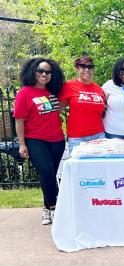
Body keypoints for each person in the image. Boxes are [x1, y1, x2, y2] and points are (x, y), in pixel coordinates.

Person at [14, 57, 65, 225]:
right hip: (35, 140)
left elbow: (65, 103)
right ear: (33, 72)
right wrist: (22, 144)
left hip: (57, 140)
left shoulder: (54, 92)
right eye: (41, 71)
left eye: (48, 72)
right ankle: (54, 206)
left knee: (49, 175)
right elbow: (19, 120)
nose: (44, 74)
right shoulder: (25, 93)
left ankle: (46, 208)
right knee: (47, 172)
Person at [59, 55, 106, 153]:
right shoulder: (69, 86)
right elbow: (57, 108)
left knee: (100, 167)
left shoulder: (98, 88)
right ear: (77, 68)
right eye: (83, 66)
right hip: (77, 138)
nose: (87, 69)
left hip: (99, 136)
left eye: (90, 67)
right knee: (78, 168)